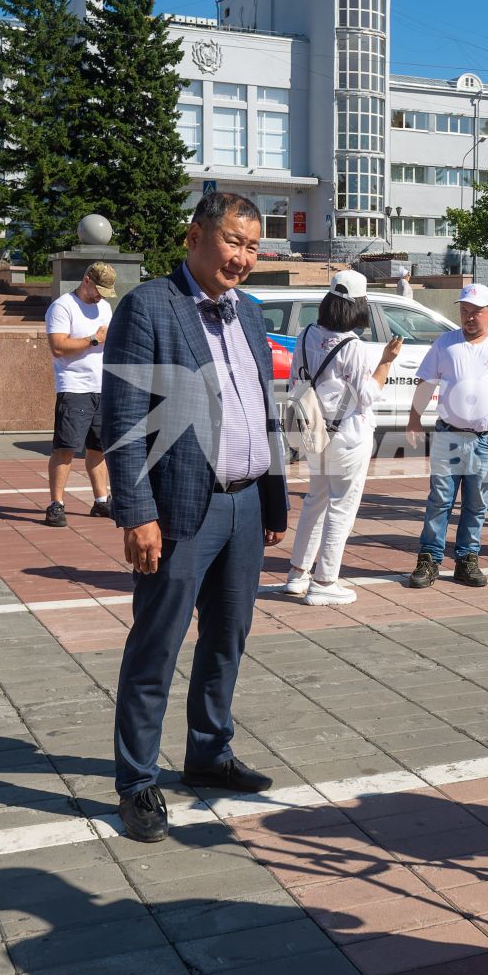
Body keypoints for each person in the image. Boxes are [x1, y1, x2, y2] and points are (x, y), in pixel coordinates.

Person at [100, 193, 286, 845]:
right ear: (195, 236)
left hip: (242, 504)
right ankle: (136, 781)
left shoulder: (253, 314)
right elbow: (123, 420)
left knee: (226, 640)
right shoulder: (149, 306)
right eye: (233, 241)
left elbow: (264, 411)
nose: (242, 257)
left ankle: (208, 751)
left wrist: (273, 500)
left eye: (253, 246)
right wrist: (137, 514)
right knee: (157, 647)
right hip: (179, 511)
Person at [406, 284, 488, 589]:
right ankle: (429, 558)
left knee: (477, 502)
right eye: (464, 311)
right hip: (448, 436)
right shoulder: (445, 343)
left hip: (487, 438)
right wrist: (414, 420)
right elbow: (426, 384)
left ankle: (467, 558)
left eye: (475, 312)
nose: (468, 317)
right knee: (439, 500)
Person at [282, 271, 403, 606]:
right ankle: (325, 581)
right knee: (342, 507)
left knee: (314, 501)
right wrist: (386, 363)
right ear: (359, 306)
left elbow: (296, 382)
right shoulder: (354, 346)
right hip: (348, 435)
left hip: (314, 433)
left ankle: (297, 574)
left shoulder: (306, 333)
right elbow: (367, 395)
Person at [43, 263, 116, 527]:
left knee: (98, 449)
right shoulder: (63, 307)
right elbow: (59, 347)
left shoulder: (104, 307)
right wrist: (93, 340)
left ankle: (100, 501)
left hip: (102, 386)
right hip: (74, 387)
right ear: (86, 280)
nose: (101, 296)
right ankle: (56, 504)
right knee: (65, 448)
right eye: (99, 289)